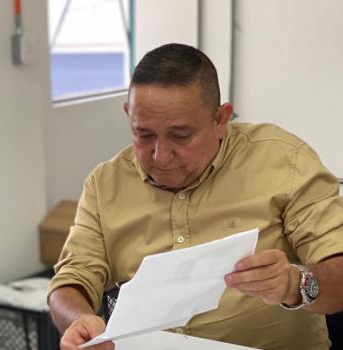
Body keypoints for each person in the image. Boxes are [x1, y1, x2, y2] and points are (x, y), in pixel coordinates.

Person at [47, 43, 343, 350]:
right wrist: (79, 318)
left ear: (220, 119)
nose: (160, 156)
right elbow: (71, 279)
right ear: (128, 115)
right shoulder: (105, 184)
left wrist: (295, 284)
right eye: (143, 134)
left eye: (181, 136)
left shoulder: (284, 162)